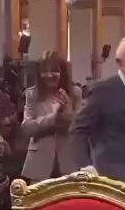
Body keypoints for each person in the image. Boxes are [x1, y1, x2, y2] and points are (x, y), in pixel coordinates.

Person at [70, 36, 125, 186]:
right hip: (113, 180)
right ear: (119, 62)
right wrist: (84, 166)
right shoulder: (102, 90)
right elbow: (78, 129)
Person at [21, 51, 81, 182]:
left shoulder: (75, 93)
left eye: (55, 70)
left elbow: (82, 128)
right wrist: (52, 118)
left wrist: (69, 113)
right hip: (39, 164)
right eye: (44, 71)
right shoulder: (32, 94)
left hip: (68, 162)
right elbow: (26, 128)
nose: (49, 75)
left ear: (62, 72)